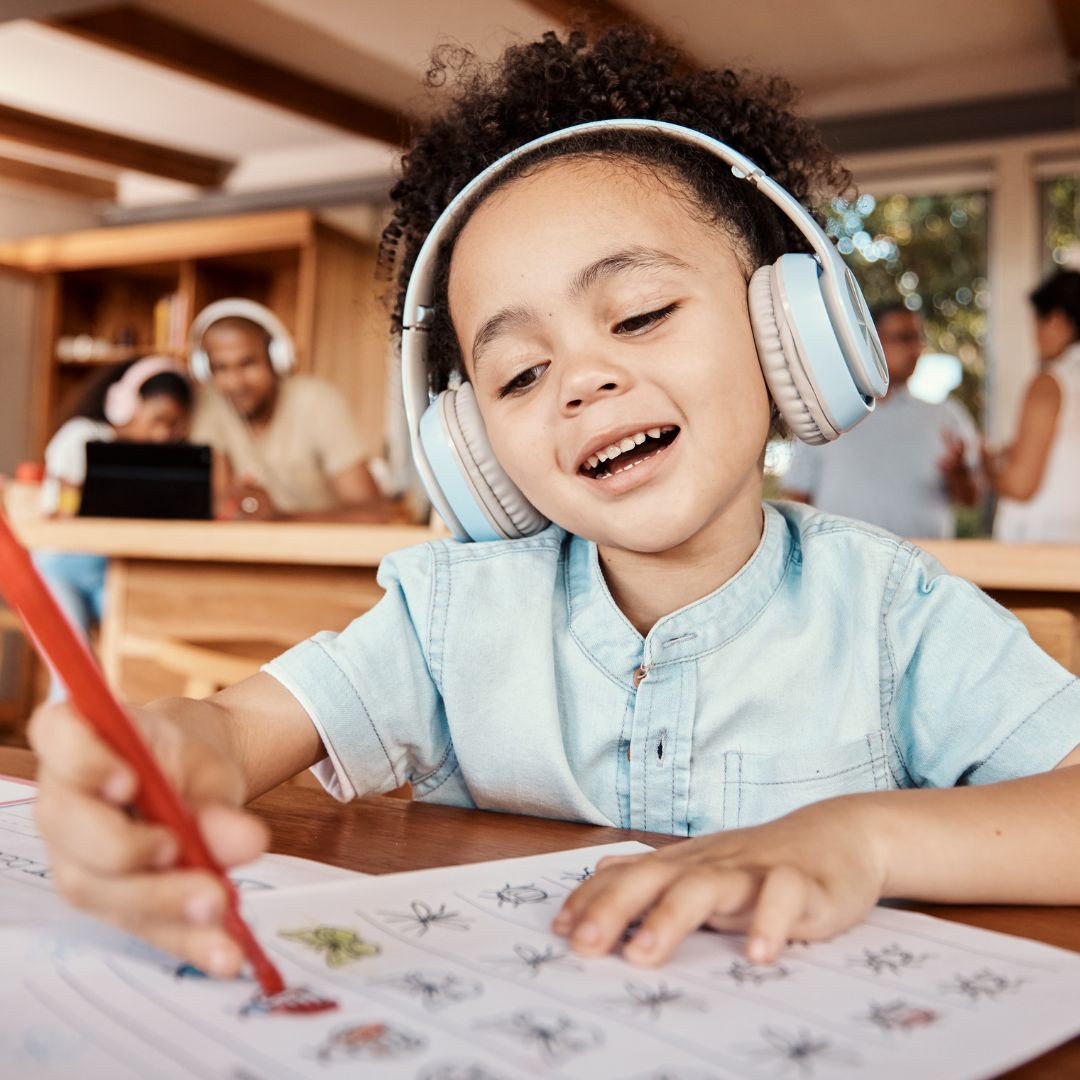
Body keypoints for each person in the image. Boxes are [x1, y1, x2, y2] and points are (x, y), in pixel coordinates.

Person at [29, 28, 1080, 980]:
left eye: (641, 312)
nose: (580, 380)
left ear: (787, 336)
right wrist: (164, 760)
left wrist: (858, 836)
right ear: (472, 448)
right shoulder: (447, 619)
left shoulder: (893, 611)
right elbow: (229, 729)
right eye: (520, 375)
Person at [33, 356, 192, 700]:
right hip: (59, 568)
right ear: (124, 406)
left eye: (174, 425)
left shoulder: (156, 457)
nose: (163, 434)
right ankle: (61, 753)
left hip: (114, 571)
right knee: (74, 678)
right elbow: (62, 508)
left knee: (141, 661)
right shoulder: (82, 436)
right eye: (158, 420)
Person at [781, 303, 980, 537]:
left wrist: (959, 474)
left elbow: (970, 499)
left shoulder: (945, 416)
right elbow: (797, 498)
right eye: (904, 338)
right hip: (840, 567)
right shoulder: (825, 413)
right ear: (869, 341)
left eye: (919, 338)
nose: (916, 348)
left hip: (925, 568)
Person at [187, 299, 385, 520]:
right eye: (221, 368)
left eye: (247, 363)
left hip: (324, 549)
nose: (235, 383)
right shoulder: (213, 403)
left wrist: (281, 518)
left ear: (277, 359)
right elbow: (216, 505)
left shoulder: (317, 401)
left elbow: (372, 513)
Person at [990, 270, 1080, 541]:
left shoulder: (1051, 382)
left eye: (1036, 324)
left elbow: (1021, 484)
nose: (1035, 336)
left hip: (1040, 550)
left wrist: (986, 467)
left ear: (1056, 320)